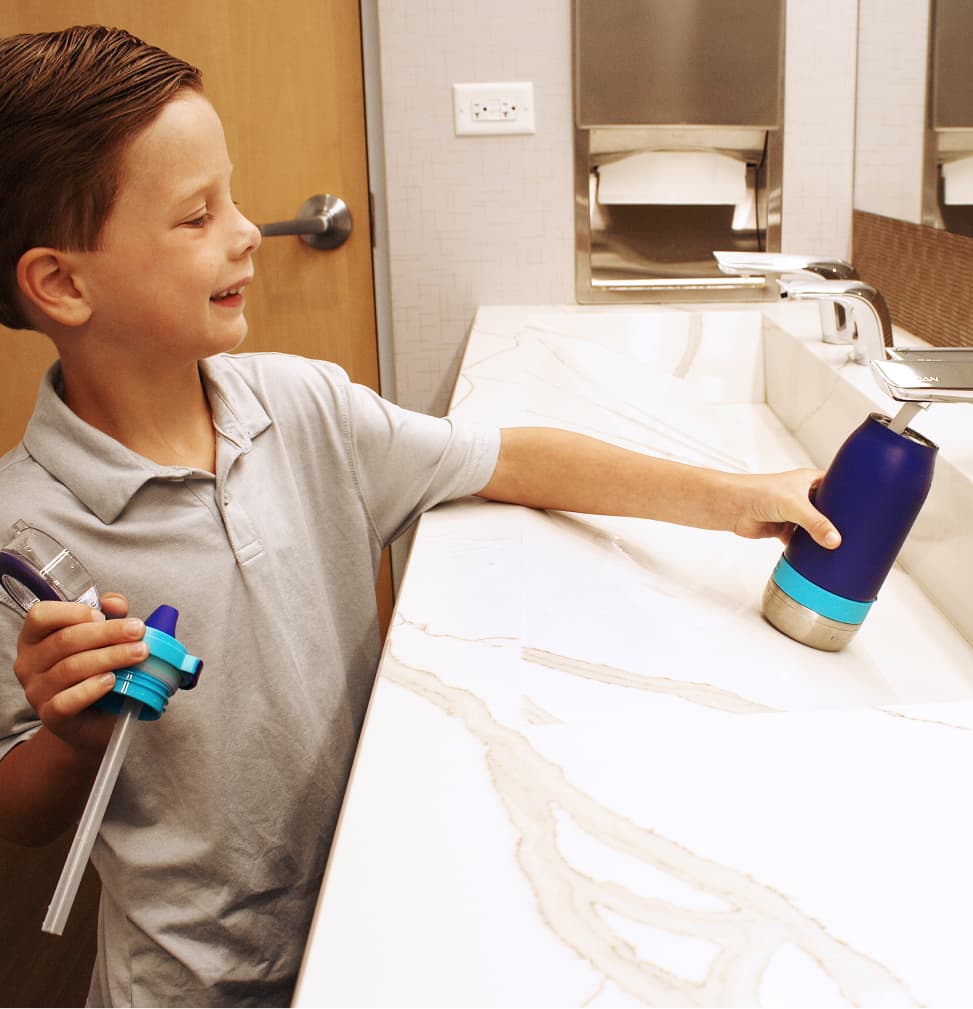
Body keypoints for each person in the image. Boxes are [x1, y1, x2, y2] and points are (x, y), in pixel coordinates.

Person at [0, 25, 840, 1006]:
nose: (242, 233)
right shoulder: (23, 536)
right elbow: (18, 810)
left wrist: (737, 498)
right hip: (192, 985)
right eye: (195, 217)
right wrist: (72, 735)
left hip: (373, 910)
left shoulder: (301, 407)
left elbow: (509, 457)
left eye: (231, 195)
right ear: (62, 282)